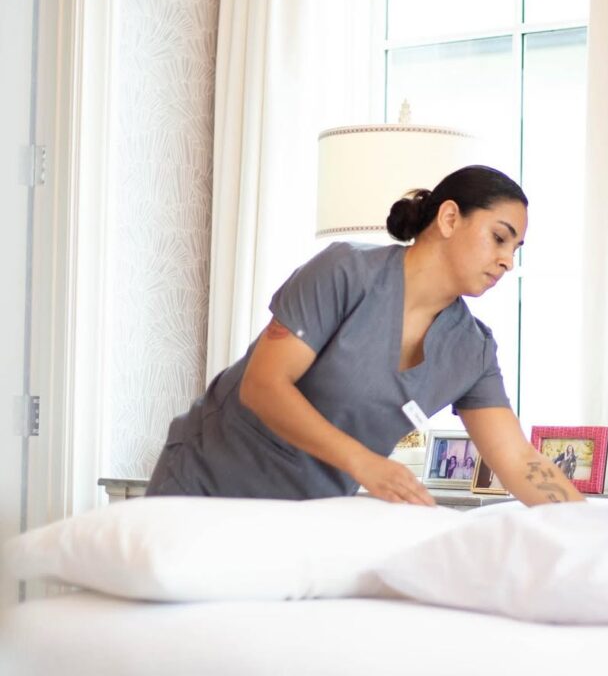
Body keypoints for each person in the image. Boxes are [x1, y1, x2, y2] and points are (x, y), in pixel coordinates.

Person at [146, 165, 583, 506]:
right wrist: (366, 464)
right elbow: (263, 387)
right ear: (450, 218)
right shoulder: (345, 272)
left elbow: (518, 459)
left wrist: (593, 526)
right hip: (207, 483)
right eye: (499, 238)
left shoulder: (472, 349)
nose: (507, 261)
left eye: (515, 250)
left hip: (304, 515)